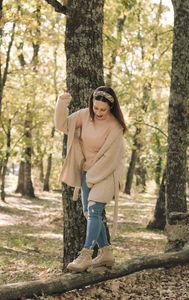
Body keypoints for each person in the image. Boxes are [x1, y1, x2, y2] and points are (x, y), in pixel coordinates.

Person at [54, 86, 127, 272]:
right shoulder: (84, 115)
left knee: (94, 211)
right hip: (87, 173)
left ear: (111, 107)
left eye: (103, 109)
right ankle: (106, 252)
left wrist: (93, 176)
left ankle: (85, 254)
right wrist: (61, 104)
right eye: (96, 108)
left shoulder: (115, 126)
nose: (99, 112)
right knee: (89, 213)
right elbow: (62, 125)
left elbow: (112, 159)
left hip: (107, 173)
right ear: (91, 104)